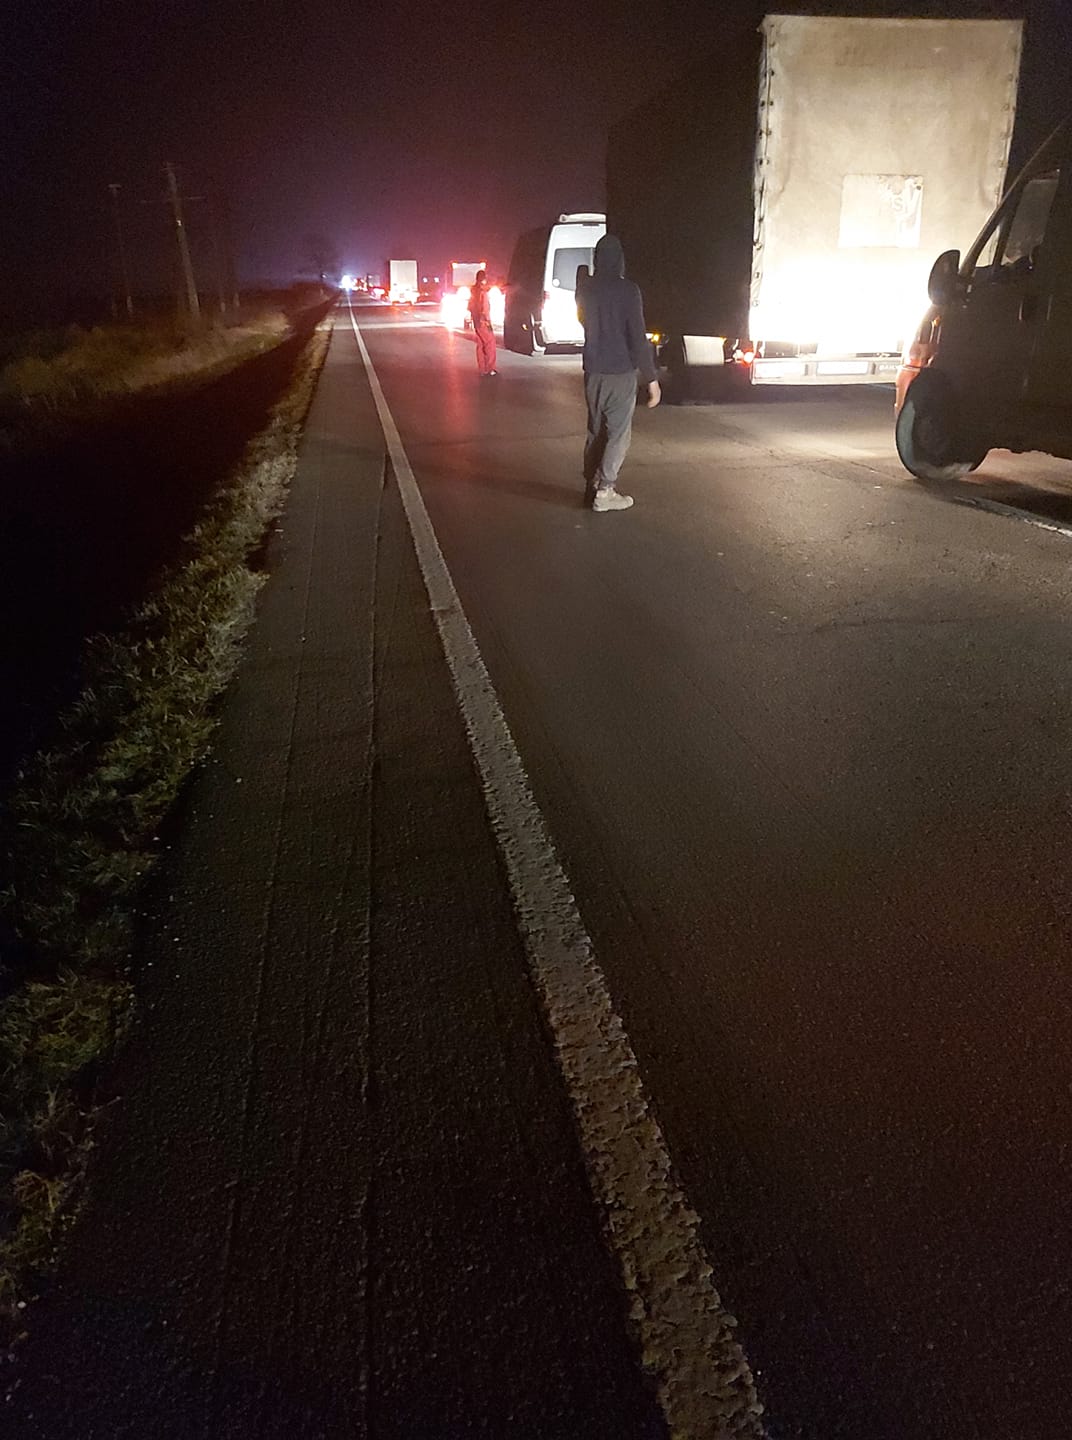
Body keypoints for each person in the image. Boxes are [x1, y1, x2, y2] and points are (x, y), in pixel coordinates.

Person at [577, 234, 660, 512]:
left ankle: (591, 484)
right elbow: (637, 336)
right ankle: (605, 490)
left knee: (596, 429)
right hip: (620, 372)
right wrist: (651, 378)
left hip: (593, 371)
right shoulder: (628, 291)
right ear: (620, 259)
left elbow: (582, 319)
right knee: (618, 433)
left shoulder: (586, 289)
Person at [467, 270, 498, 377]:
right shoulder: (482, 293)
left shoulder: (473, 291)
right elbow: (485, 309)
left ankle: (482, 369)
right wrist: (488, 323)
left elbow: (470, 307)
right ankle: (490, 369)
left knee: (480, 345)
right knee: (490, 344)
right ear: (484, 279)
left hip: (476, 322)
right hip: (483, 322)